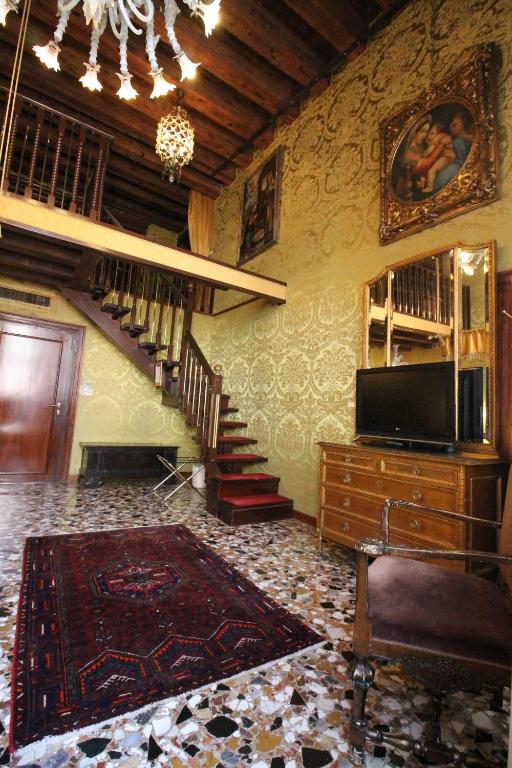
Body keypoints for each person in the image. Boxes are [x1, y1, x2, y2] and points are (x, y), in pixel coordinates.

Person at [420, 121, 456, 193]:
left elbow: (427, 153)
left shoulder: (437, 140)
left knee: (431, 171)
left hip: (446, 157)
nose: (428, 137)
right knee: (426, 171)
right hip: (445, 157)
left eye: (432, 133)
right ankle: (423, 184)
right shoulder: (431, 144)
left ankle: (430, 187)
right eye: (427, 134)